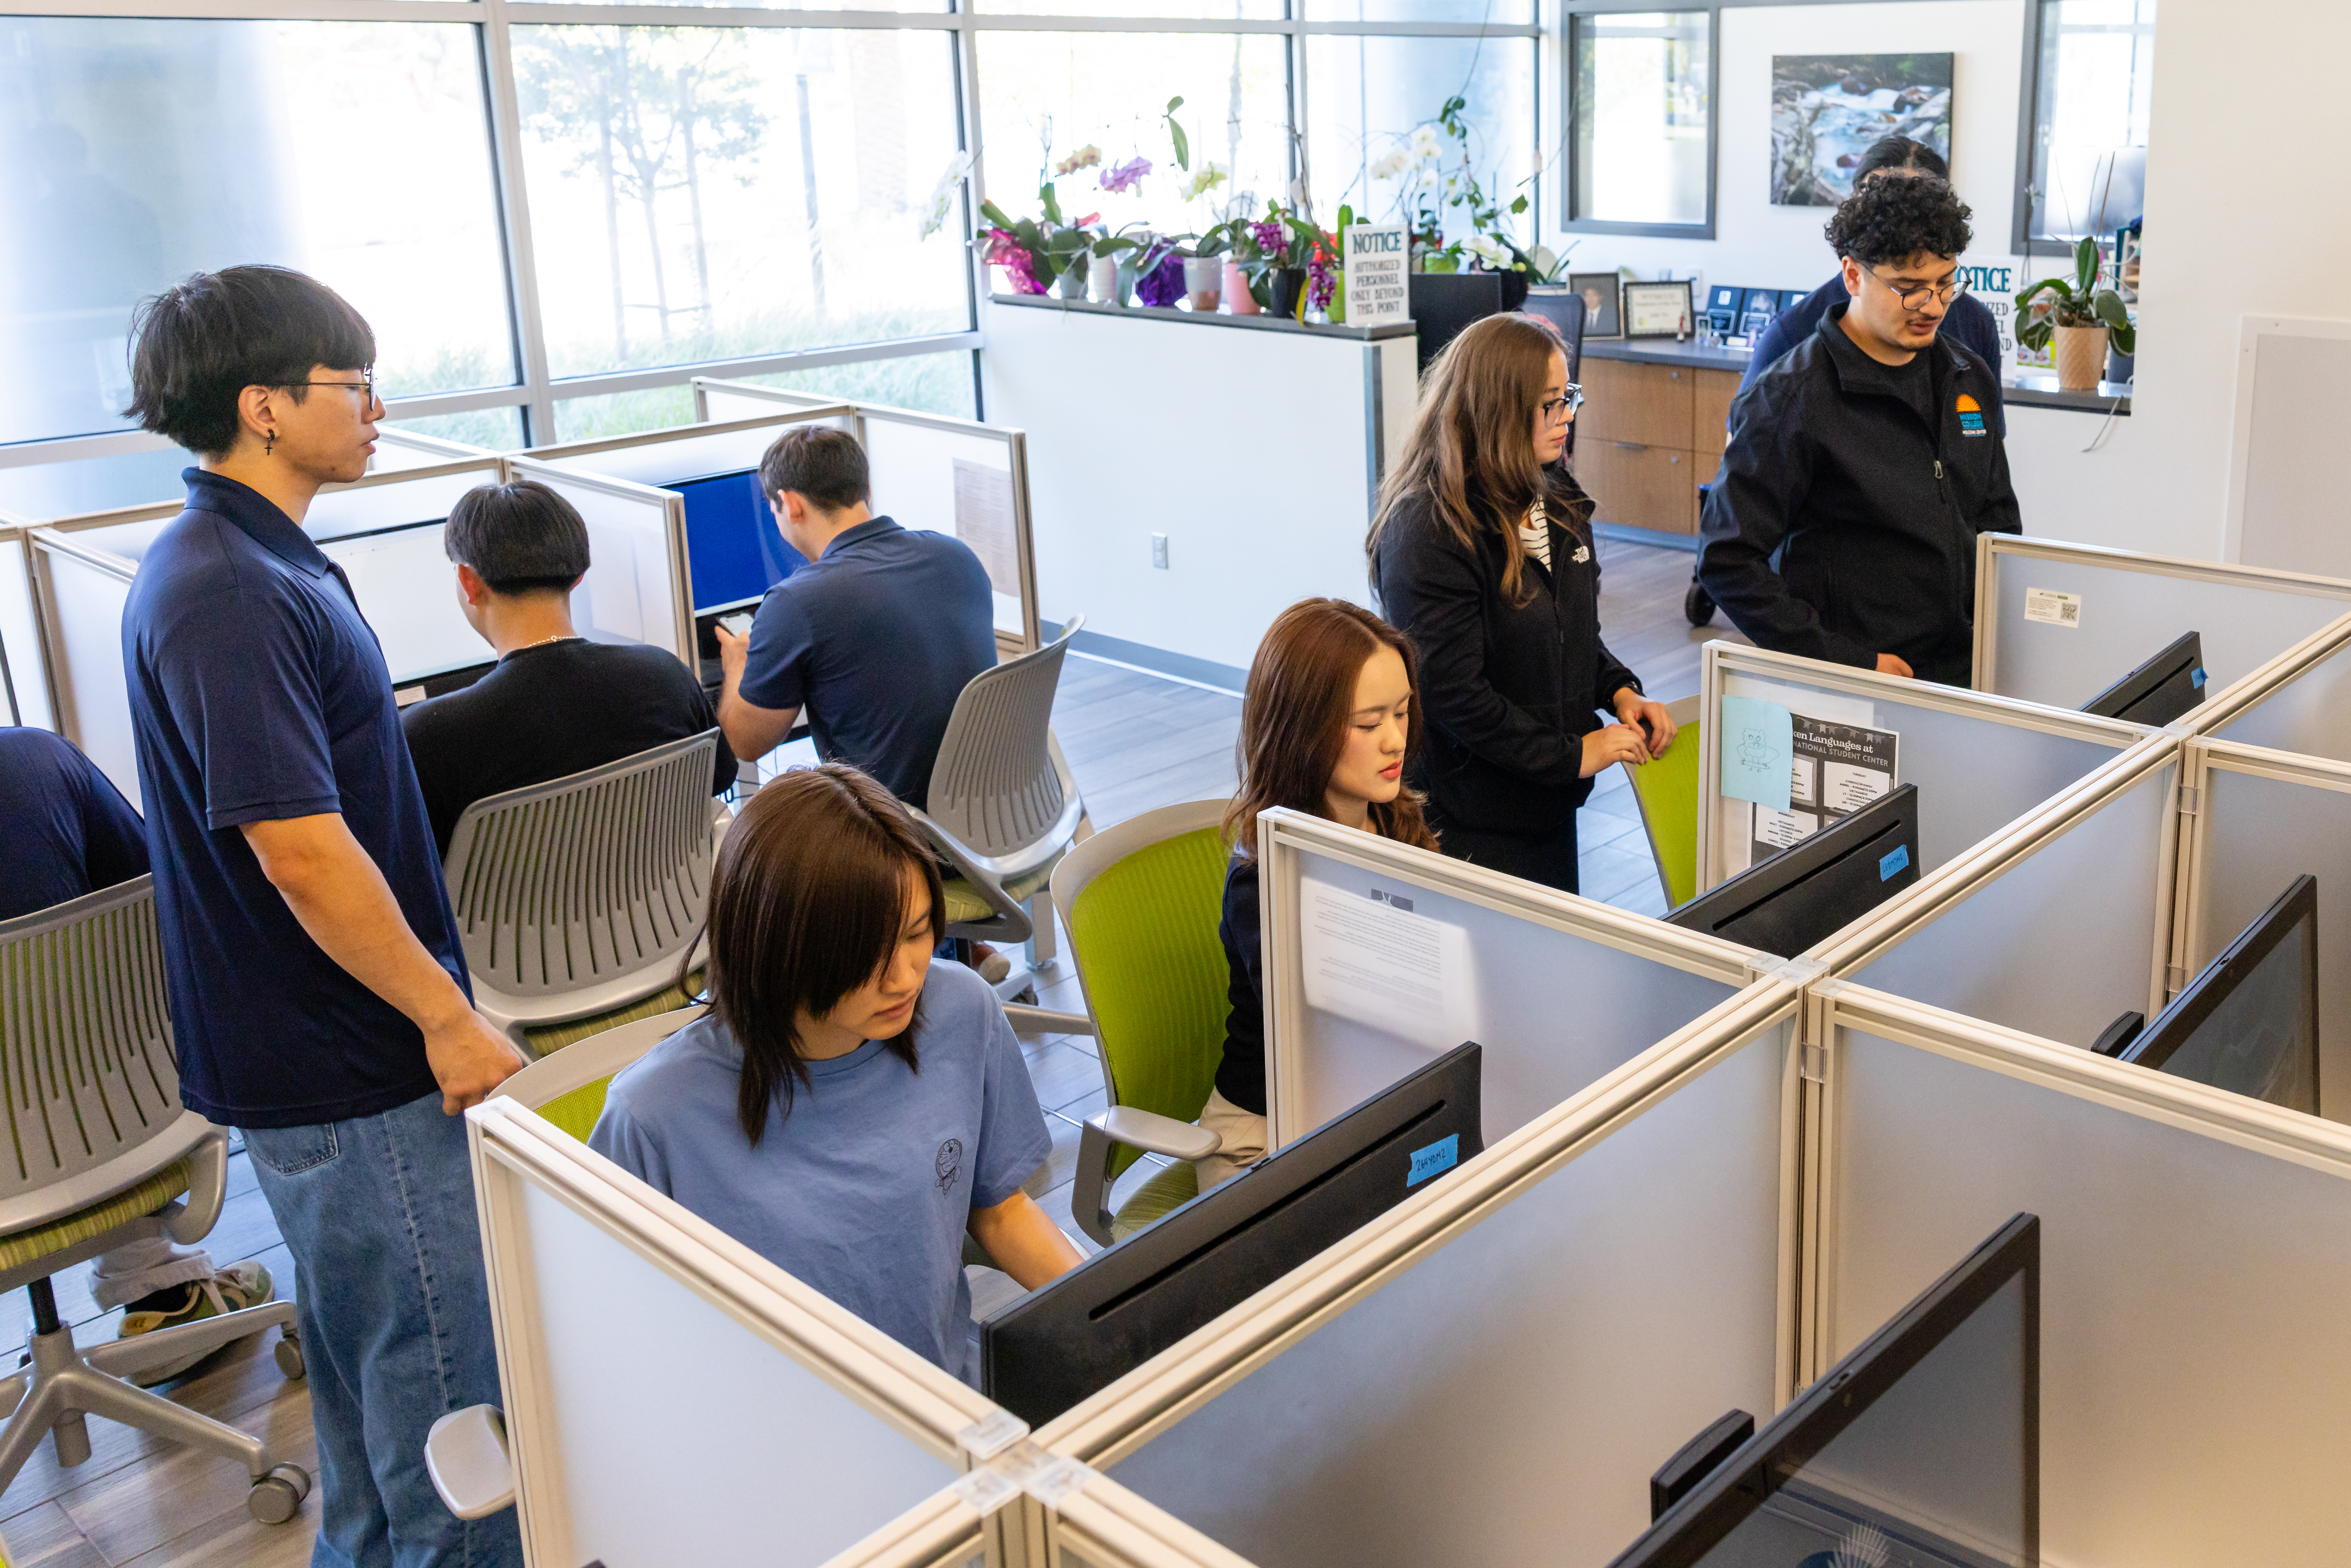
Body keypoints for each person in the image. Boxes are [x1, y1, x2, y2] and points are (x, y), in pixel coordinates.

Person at [120, 264, 523, 1568]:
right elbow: (299, 851)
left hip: (326, 1053)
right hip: (352, 1061)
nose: (377, 406)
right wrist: (447, 1016)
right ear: (265, 407)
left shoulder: (247, 561)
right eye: (352, 385)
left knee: (368, 1391)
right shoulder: (229, 587)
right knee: (448, 1404)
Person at [589, 764, 1080, 1382]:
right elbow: (615, 1348)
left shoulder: (960, 1010)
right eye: (866, 954)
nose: (904, 976)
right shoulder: (652, 1116)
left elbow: (999, 1208)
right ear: (781, 946)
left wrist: (1112, 1321)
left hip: (947, 1414)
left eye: (918, 932)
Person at [1370, 312, 1678, 893]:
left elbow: (1569, 632)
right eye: (1549, 404)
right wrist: (1570, 755)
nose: (1567, 418)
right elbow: (1451, 694)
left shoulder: (1556, 497)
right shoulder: (1427, 529)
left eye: (1570, 397)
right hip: (1470, 812)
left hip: (1545, 800)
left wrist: (1619, 690)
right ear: (1497, 409)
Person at [0, 727, 273, 1382]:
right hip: (116, 1130)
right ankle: (155, 1285)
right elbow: (169, 898)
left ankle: (161, 1289)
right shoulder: (36, 761)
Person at [1696, 177, 2022, 688]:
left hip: (1962, 673)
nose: (1932, 307)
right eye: (1907, 289)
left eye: (1944, 283)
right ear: (1852, 275)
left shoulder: (1967, 375)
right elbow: (1727, 561)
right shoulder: (1789, 397)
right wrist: (1843, 659)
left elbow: (1996, 521)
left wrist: (2000, 633)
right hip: (1854, 680)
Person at [1203, 599, 1442, 1189]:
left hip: (1368, 1107)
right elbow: (1328, 1039)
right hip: (1267, 1135)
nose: (1394, 742)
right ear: (1302, 729)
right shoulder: (1265, 876)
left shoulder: (1391, 820)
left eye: (1402, 713)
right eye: (1368, 724)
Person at [401, 478, 736, 858]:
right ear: (578, 575)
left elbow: (410, 867)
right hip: (671, 916)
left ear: (469, 582)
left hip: (516, 919)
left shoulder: (430, 735)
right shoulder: (667, 676)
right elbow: (720, 778)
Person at [714, 425, 995, 808]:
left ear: (790, 504)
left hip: (895, 836)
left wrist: (737, 666)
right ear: (865, 489)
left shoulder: (796, 602)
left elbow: (744, 744)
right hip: (998, 811)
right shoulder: (956, 556)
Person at [1741, 136, 2005, 436]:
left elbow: (1988, 460)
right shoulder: (1792, 335)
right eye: (1884, 205)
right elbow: (1744, 456)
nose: (1905, 221)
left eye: (1920, 205)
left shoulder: (1975, 328)